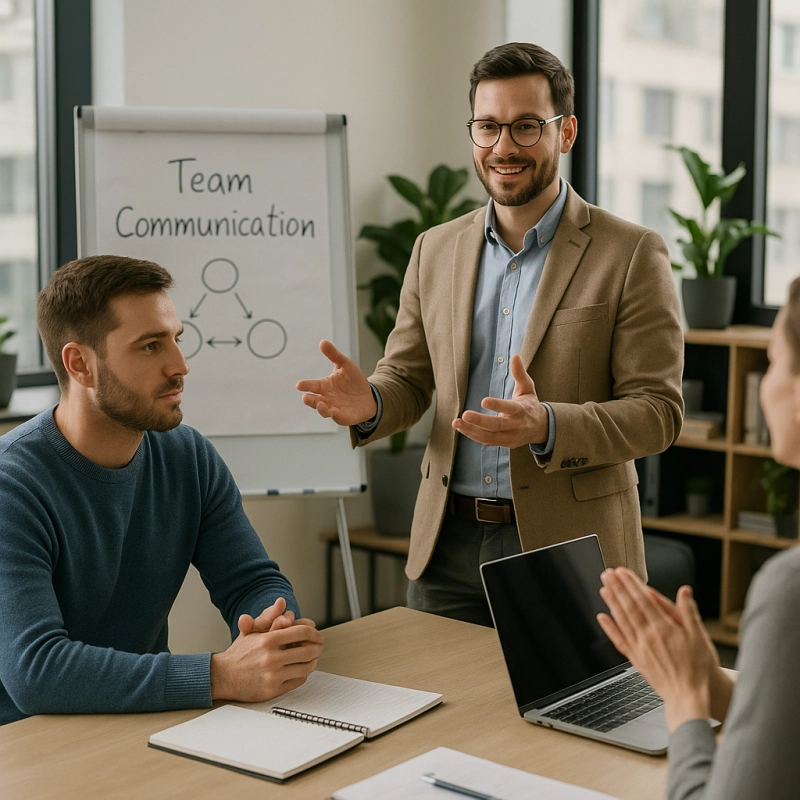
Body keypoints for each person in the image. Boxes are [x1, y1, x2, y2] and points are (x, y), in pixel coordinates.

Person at [297, 42, 684, 626]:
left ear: (566, 131)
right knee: (437, 717)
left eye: (527, 127)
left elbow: (658, 412)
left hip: (570, 548)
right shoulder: (435, 248)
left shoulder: (630, 253)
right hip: (446, 546)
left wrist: (548, 424)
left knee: (563, 718)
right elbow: (409, 377)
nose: (504, 147)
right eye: (488, 127)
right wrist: (370, 403)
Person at [0, 255, 323, 726]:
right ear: (80, 365)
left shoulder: (187, 455)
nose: (180, 366)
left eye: (176, 339)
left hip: (144, 721)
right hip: (32, 746)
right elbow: (37, 671)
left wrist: (275, 628)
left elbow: (251, 582)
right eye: (150, 347)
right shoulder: (12, 485)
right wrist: (219, 675)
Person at [597, 280, 800, 800]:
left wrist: (683, 700)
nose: (764, 384)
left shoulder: (790, 589)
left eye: (773, 362)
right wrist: (711, 683)